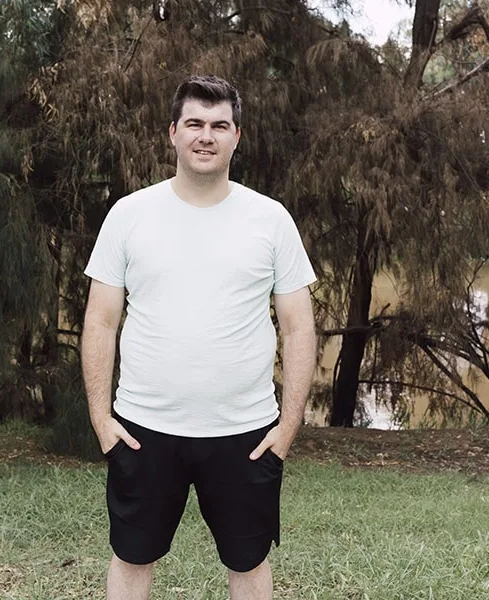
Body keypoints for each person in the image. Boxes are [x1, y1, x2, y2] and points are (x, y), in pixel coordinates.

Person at [81, 74, 317, 600]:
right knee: (131, 558)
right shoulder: (129, 215)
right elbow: (100, 321)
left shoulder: (271, 220)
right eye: (194, 123)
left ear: (238, 136)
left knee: (249, 565)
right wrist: (101, 419)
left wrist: (288, 427)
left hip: (247, 435)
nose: (205, 135)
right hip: (143, 428)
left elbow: (299, 327)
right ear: (173, 133)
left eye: (219, 125)